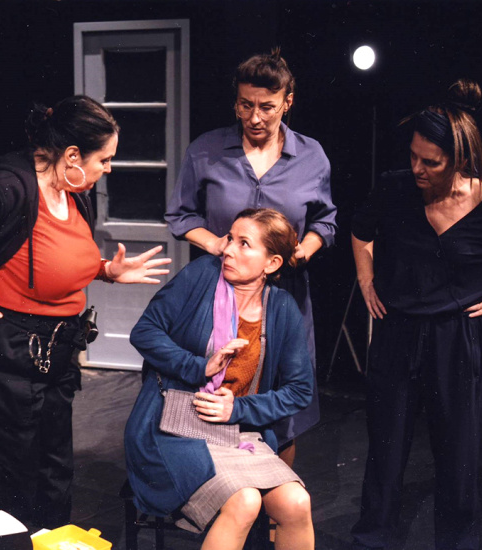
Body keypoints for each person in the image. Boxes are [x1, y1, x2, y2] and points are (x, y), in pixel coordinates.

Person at [0, 95, 171, 529]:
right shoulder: (5, 189)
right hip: (2, 356)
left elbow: (49, 259)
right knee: (6, 482)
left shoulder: (72, 192)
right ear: (73, 156)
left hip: (55, 356)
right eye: (105, 159)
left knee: (53, 476)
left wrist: (105, 271)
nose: (109, 169)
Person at [349, 79, 482, 550]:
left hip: (456, 337)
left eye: (431, 162)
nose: (417, 168)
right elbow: (361, 231)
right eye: (413, 157)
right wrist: (366, 280)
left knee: (458, 455)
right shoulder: (396, 187)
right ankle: (373, 539)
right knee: (385, 448)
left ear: (459, 159)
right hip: (397, 330)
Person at [165, 49, 337, 463]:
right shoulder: (207, 149)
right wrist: (216, 243)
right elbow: (181, 215)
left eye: (267, 107)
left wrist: (304, 250)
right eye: (245, 105)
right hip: (218, 292)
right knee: (212, 394)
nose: (255, 117)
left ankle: (274, 498)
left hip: (283, 296)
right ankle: (218, 493)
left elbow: (326, 221)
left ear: (287, 102)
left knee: (281, 405)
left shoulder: (311, 156)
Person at [125, 208, 316, 550]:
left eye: (244, 244)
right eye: (230, 238)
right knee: (245, 500)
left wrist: (238, 409)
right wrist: (199, 367)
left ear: (271, 263)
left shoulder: (282, 307)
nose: (227, 249)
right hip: (173, 428)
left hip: (237, 431)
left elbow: (300, 390)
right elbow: (145, 332)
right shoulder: (202, 274)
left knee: (296, 503)